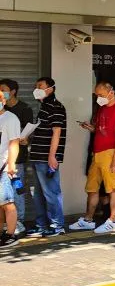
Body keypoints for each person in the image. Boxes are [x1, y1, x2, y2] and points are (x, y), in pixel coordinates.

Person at [70, 82, 115, 234]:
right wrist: (91, 128)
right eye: (97, 95)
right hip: (97, 153)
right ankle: (88, 219)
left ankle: (113, 221)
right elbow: (102, 130)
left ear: (111, 92)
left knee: (113, 188)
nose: (99, 98)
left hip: (110, 153)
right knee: (92, 188)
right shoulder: (102, 109)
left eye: (101, 95)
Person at [26, 77, 66, 237]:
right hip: (37, 155)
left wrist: (52, 156)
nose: (37, 89)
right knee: (39, 194)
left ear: (50, 88)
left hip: (46, 158)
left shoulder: (56, 106)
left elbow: (57, 132)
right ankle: (41, 224)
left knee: (51, 193)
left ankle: (57, 225)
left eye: (40, 86)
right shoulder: (44, 107)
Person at [0, 79, 32, 234]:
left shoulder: (23, 109)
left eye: (3, 90)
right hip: (4, 159)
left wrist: (25, 140)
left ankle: (18, 222)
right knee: (4, 197)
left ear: (12, 92)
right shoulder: (4, 112)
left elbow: (27, 131)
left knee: (15, 192)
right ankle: (7, 224)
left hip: (15, 159)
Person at [0, 89, 21, 247]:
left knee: (7, 202)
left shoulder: (10, 119)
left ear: (4, 101)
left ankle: (11, 234)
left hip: (3, 167)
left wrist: (11, 164)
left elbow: (14, 142)